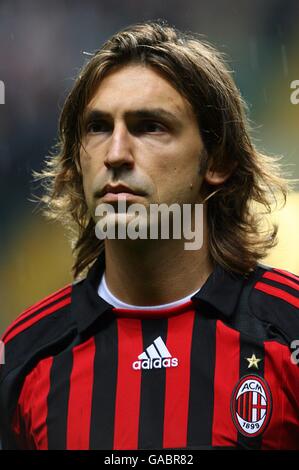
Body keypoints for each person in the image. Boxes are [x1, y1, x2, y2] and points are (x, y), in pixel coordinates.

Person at [0, 20, 299, 451]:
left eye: (150, 127)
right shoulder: (24, 356)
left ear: (217, 160)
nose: (116, 154)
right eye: (98, 127)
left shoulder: (287, 332)